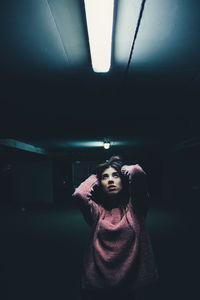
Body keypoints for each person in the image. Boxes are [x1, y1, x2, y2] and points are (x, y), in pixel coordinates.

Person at [72, 156, 159, 300]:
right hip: (98, 284)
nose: (110, 180)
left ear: (123, 180)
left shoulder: (136, 208)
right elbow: (80, 194)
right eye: (105, 177)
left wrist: (117, 165)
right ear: (100, 183)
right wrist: (96, 174)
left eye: (115, 176)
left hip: (132, 284)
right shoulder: (97, 213)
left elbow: (137, 172)